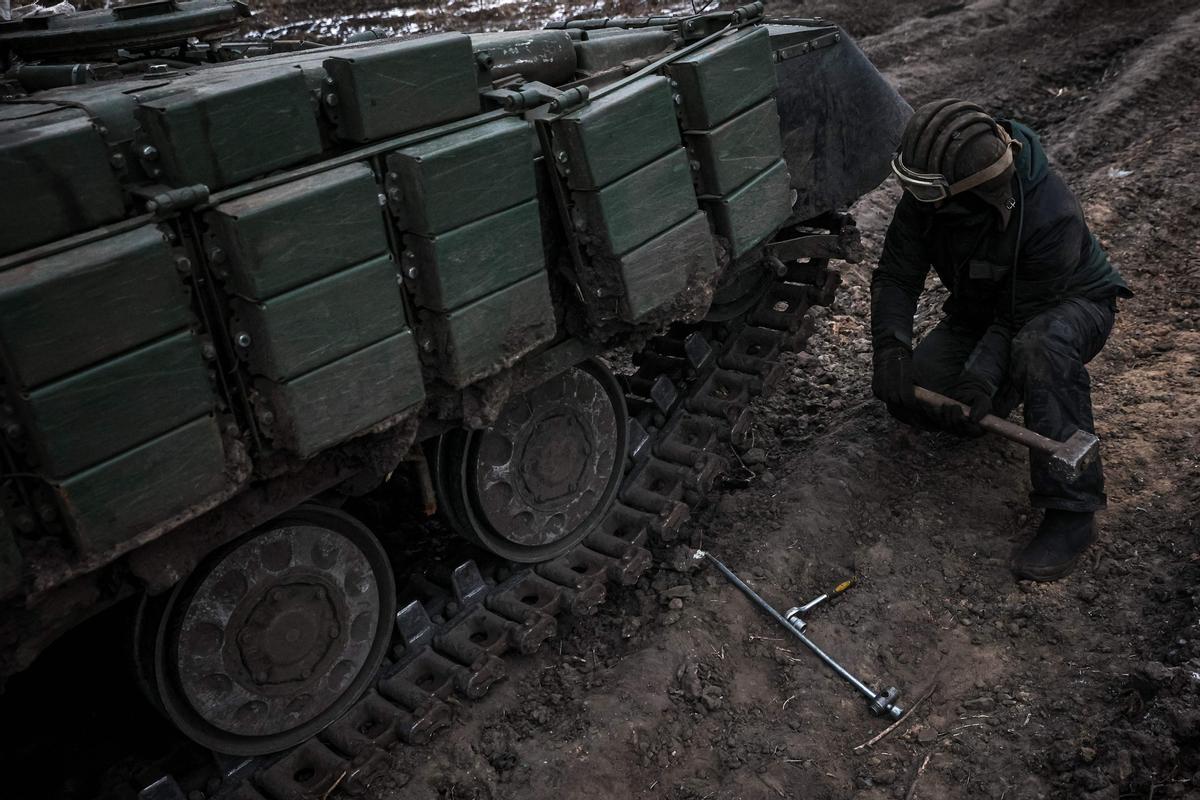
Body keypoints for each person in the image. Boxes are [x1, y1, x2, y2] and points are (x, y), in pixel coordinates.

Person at [870, 98, 1131, 582]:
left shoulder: (1050, 216)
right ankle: (993, 399)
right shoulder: (929, 197)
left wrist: (980, 377)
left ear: (973, 192)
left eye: (920, 190)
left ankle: (1072, 512)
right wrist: (890, 349)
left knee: (1039, 347)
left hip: (1068, 306)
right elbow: (896, 276)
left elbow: (1020, 317)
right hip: (985, 307)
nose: (910, 196)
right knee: (922, 394)